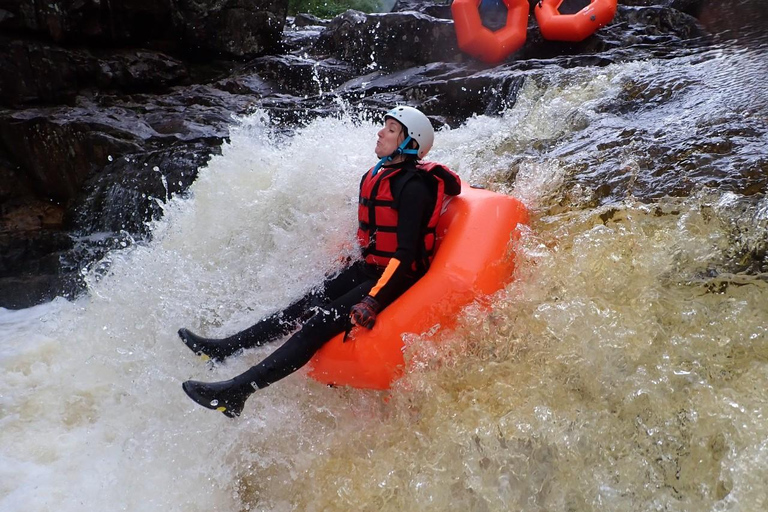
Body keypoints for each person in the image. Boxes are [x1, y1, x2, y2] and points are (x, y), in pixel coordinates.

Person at [180, 106, 461, 418]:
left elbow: (404, 254)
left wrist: (371, 300)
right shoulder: (380, 175)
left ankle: (237, 392)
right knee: (301, 305)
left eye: (391, 129)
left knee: (316, 325)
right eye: (385, 126)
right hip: (370, 268)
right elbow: (375, 236)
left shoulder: (414, 187)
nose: (381, 133)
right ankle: (224, 350)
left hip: (396, 277)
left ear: (410, 142)